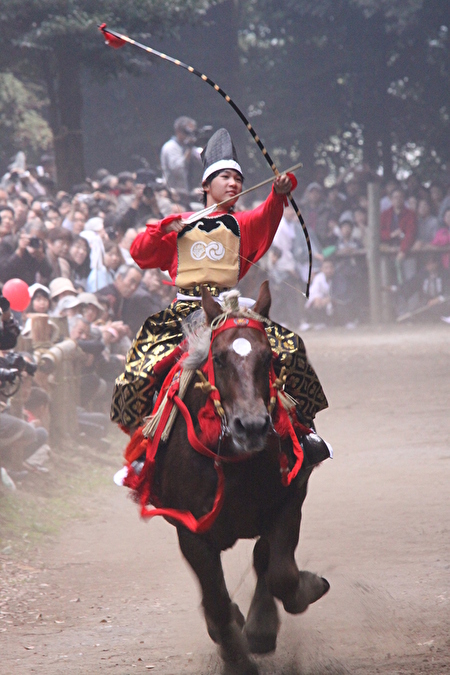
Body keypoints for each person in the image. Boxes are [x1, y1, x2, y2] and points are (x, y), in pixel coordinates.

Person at [111, 128, 329, 463]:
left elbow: (269, 213)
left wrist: (280, 192)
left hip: (230, 310)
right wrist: (161, 229)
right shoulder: (179, 224)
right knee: (141, 369)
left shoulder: (242, 223)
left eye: (238, 179)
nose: (234, 184)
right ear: (205, 185)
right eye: (225, 177)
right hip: (183, 314)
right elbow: (140, 254)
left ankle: (304, 431)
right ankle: (143, 445)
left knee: (290, 347)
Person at [160, 116, 203, 208]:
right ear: (178, 131)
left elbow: (201, 158)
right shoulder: (170, 147)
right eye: (187, 132)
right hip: (173, 194)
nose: (189, 135)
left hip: (186, 193)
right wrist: (189, 149)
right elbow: (177, 169)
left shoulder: (187, 146)